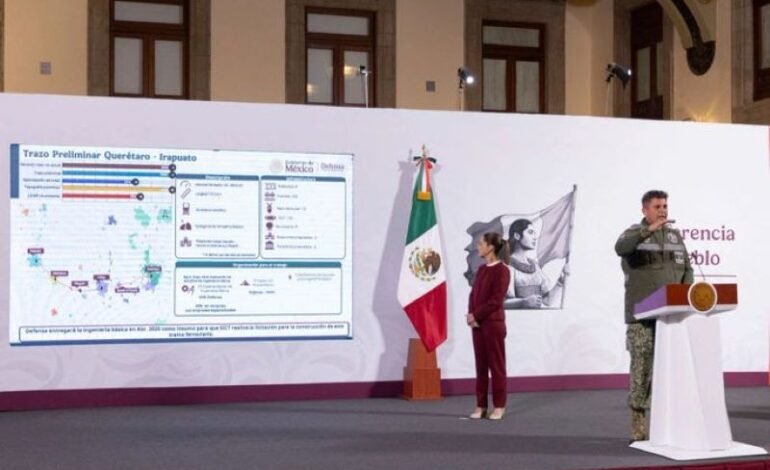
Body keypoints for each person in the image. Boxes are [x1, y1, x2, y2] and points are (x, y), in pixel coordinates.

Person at [615, 190, 693, 442]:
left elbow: (687, 269)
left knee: (670, 371)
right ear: (644, 210)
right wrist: (648, 230)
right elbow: (621, 248)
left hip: (671, 318)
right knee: (643, 370)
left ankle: (669, 425)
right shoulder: (633, 234)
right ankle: (639, 429)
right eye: (657, 206)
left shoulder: (674, 236)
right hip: (642, 318)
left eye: (665, 206)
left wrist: (686, 296)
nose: (663, 210)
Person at [467, 232, 511, 420]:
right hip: (478, 324)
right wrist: (471, 315)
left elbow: (496, 299)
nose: (478, 246)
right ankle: (481, 405)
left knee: (496, 365)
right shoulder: (482, 269)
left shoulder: (502, 270)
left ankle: (499, 406)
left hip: (493, 323)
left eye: (481, 243)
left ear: (491, 247)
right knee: (481, 366)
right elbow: (473, 295)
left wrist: (477, 314)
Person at [504, 218, 567, 309]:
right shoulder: (507, 266)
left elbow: (548, 301)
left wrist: (561, 281)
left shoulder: (534, 266)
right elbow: (501, 302)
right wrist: (523, 301)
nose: (534, 237)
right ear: (517, 236)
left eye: (534, 233)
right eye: (530, 232)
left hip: (536, 317)